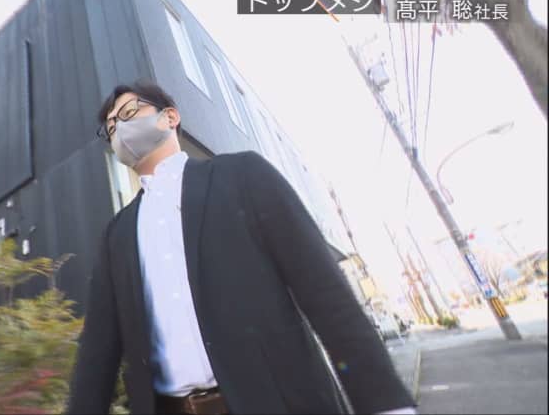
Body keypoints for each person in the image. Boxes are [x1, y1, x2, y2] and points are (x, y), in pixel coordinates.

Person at [66, 80, 417, 414]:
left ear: (169, 116)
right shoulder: (117, 234)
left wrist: (386, 403)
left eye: (128, 113)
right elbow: (97, 350)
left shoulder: (243, 176)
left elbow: (325, 292)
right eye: (111, 128)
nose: (119, 129)